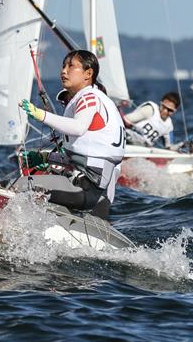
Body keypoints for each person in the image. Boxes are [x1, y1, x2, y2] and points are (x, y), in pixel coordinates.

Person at [18, 50, 126, 217]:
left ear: (88, 73)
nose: (63, 71)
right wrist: (45, 158)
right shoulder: (99, 109)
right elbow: (84, 155)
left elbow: (77, 127)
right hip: (89, 190)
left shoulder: (89, 97)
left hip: (88, 191)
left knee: (14, 187)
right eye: (62, 66)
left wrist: (40, 114)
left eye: (70, 66)